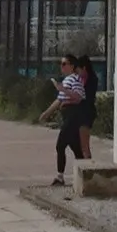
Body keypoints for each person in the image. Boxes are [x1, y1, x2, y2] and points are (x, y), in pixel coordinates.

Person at [38, 55, 92, 187]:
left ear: (72, 66)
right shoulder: (67, 80)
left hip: (73, 116)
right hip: (68, 116)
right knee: (75, 147)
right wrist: (46, 113)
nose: (61, 67)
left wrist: (63, 89)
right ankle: (85, 175)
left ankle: (60, 177)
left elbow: (78, 97)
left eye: (64, 64)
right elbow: (59, 100)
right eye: (61, 64)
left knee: (60, 145)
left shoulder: (75, 79)